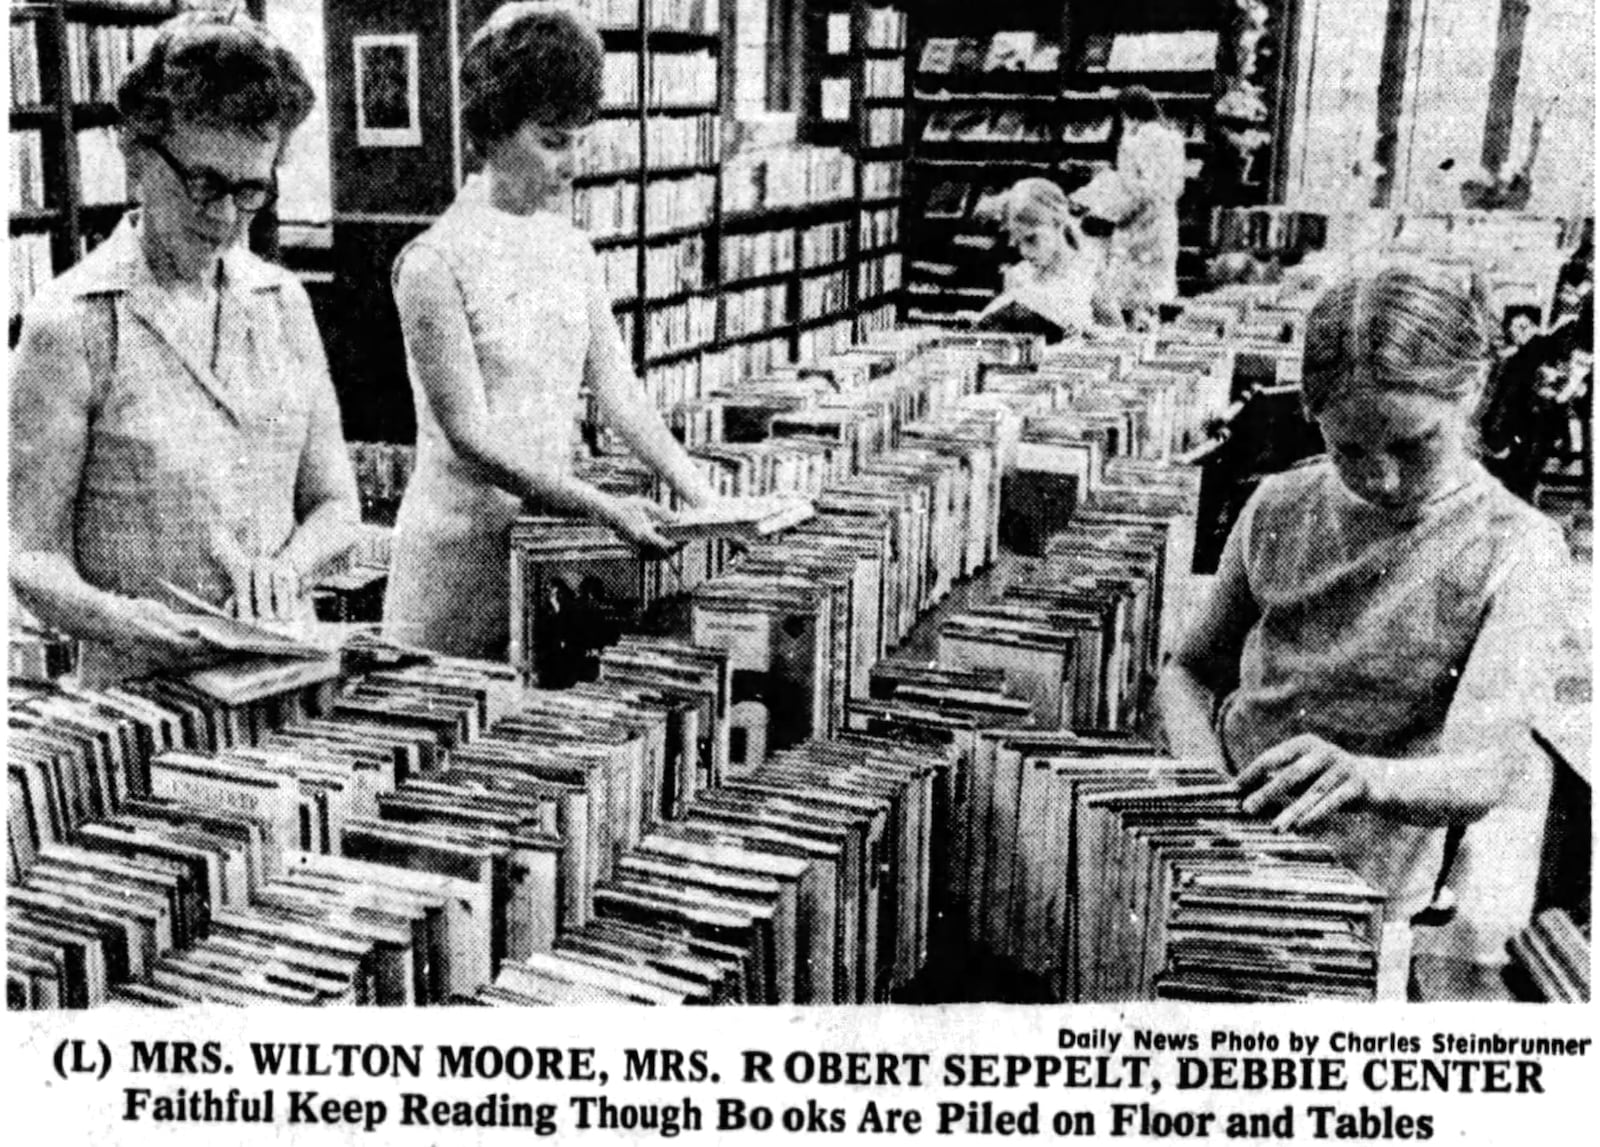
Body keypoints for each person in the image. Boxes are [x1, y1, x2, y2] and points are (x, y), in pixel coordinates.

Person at [1157, 261, 1569, 992]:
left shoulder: (1516, 545)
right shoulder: (1281, 505)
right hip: (1226, 845)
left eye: (1412, 445)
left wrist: (1365, 776)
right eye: (1346, 448)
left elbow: (1487, 770)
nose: (1379, 478)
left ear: (1470, 390)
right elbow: (1189, 671)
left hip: (1367, 885)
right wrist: (1206, 782)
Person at [9, 11, 359, 686]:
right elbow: (30, 558)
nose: (225, 216)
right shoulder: (70, 323)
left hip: (285, 683)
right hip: (141, 707)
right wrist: (129, 622)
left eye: (250, 190)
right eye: (202, 182)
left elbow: (337, 506)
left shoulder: (284, 305)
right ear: (137, 152)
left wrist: (288, 568)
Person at [383, 3, 719, 659]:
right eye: (552, 140)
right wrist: (601, 507)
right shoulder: (433, 261)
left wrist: (703, 496)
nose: (573, 162)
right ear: (493, 131)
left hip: (542, 545)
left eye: (580, 139)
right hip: (454, 560)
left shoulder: (573, 251)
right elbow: (471, 439)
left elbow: (619, 393)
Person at [1073, 86, 1186, 328]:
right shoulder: (1174, 137)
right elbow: (1173, 186)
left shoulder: (1133, 141)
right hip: (1163, 224)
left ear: (1127, 113)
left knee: (1127, 299)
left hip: (1136, 229)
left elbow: (1132, 189)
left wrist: (1100, 208)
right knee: (1156, 295)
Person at [973, 177, 1109, 338]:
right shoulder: (1018, 276)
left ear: (1058, 224)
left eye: (1031, 239)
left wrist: (1089, 332)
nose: (1024, 251)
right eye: (1018, 243)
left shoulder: (1088, 270)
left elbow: (1120, 335)